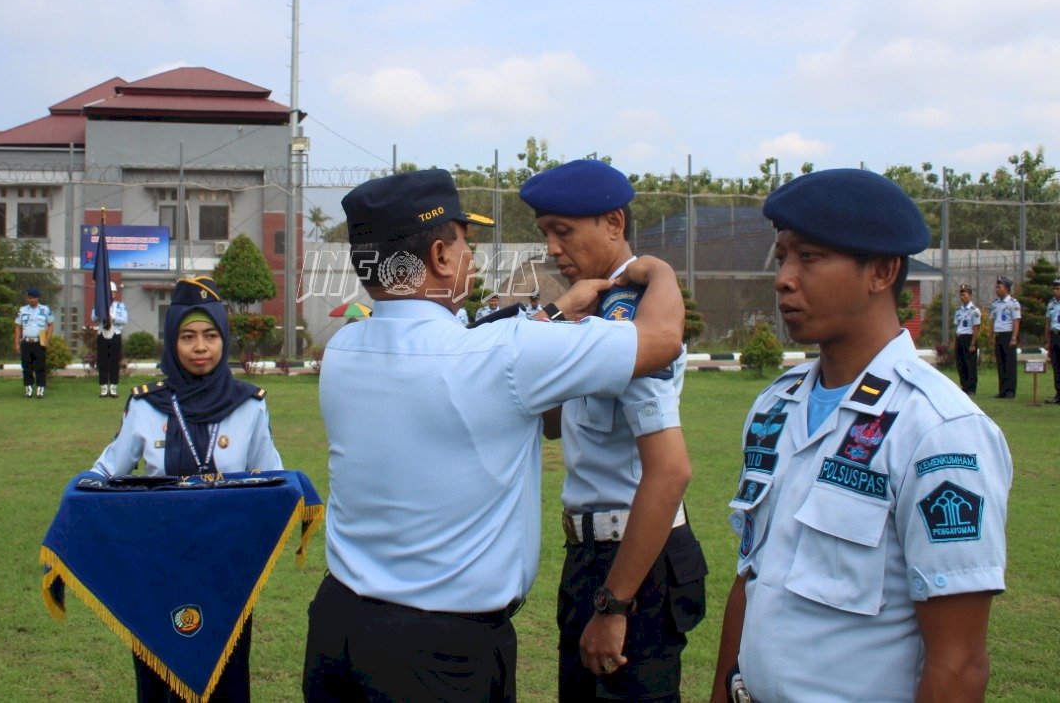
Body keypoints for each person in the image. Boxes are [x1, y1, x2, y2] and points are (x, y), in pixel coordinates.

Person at [303, 168, 686, 702]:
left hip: (337, 627)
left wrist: (556, 310)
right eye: (465, 244)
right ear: (438, 257)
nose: (473, 259)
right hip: (441, 652)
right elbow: (662, 339)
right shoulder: (502, 354)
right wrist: (661, 272)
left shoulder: (345, 350)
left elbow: (479, 352)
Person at [711, 169, 1013, 703]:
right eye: (782, 256)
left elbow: (959, 663)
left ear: (881, 271)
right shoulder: (775, 406)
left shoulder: (939, 430)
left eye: (809, 257)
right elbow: (752, 577)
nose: (784, 277)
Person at [520, 159, 705, 701]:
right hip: (587, 553)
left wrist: (615, 604)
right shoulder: (592, 309)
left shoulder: (632, 316)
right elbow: (554, 425)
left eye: (564, 231)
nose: (553, 247)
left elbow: (670, 473)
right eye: (546, 233)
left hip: (634, 562)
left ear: (613, 223)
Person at [90, 276, 283, 702]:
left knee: (226, 677)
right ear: (171, 341)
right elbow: (107, 470)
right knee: (160, 677)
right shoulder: (145, 405)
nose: (201, 347)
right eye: (188, 336)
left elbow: (272, 477)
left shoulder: (249, 405)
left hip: (226, 571)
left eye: (211, 335)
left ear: (224, 338)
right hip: (156, 567)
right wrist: (81, 494)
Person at [14, 286, 54, 399]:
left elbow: (51, 325)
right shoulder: (22, 310)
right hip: (26, 341)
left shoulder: (45, 309)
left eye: (33, 298)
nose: (31, 300)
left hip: (39, 341)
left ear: (38, 298)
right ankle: (28, 387)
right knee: (26, 366)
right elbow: (17, 327)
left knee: (40, 366)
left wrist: (48, 338)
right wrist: (16, 343)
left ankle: (40, 388)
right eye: (29, 297)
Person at [91, 281, 129, 398]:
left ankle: (113, 387)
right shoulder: (99, 304)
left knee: (114, 362)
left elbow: (124, 320)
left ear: (115, 293)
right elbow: (93, 318)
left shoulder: (120, 306)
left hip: (115, 334)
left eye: (112, 292)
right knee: (102, 362)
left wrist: (113, 317)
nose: (110, 294)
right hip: (102, 334)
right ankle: (103, 387)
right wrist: (101, 312)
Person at [989, 276, 1020, 399]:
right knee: (1000, 363)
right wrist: (991, 336)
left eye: (999, 287)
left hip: (1008, 335)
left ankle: (1010, 391)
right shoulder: (995, 303)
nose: (996, 289)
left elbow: (1016, 321)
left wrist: (1014, 338)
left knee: (1010, 364)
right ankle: (1002, 390)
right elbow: (992, 320)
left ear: (1006, 288)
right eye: (996, 287)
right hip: (998, 335)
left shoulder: (1013, 303)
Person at [1046, 278, 1060, 404]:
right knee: (1056, 366)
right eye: (1054, 289)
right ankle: (1058, 393)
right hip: (1054, 336)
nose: (1055, 291)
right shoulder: (1051, 304)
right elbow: (1048, 323)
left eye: (1058, 289)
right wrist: (1047, 340)